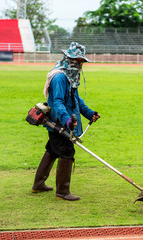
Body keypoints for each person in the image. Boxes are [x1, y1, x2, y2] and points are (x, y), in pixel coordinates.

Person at [31, 42, 100, 201]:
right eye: (77, 60)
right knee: (67, 152)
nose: (80, 64)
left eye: (81, 61)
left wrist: (89, 113)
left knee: (52, 150)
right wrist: (67, 120)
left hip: (65, 121)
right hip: (60, 122)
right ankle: (62, 191)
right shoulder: (60, 77)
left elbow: (75, 99)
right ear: (68, 58)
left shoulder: (70, 76)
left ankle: (38, 184)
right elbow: (57, 103)